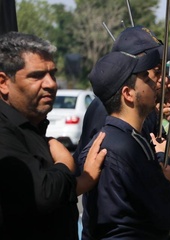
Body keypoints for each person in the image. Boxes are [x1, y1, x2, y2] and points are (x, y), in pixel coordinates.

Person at [0, 31, 107, 239]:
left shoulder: (32, 127)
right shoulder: (4, 130)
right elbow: (43, 194)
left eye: (52, 74)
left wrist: (82, 181)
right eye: (37, 75)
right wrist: (65, 164)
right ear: (3, 82)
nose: (51, 84)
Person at [78, 50, 170, 239]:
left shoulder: (109, 137)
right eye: (146, 78)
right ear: (128, 94)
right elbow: (167, 214)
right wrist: (168, 179)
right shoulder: (130, 146)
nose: (155, 83)